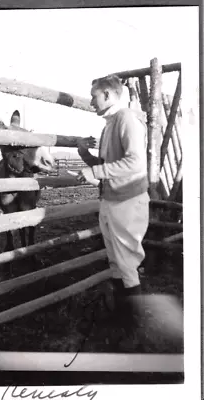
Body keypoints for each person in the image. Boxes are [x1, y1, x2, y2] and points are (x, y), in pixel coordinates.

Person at [76, 75, 149, 347]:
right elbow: (110, 164)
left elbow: (134, 162)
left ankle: (134, 330)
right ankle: (123, 319)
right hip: (111, 199)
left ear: (107, 94)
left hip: (127, 201)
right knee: (116, 262)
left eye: (94, 96)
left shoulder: (126, 119)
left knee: (126, 264)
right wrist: (86, 156)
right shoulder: (110, 124)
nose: (91, 102)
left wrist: (95, 170)